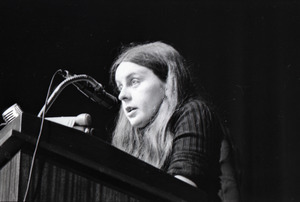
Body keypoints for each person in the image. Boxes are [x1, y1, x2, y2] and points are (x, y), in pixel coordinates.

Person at [109, 41, 239, 201]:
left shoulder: (194, 112)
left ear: (167, 82)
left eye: (134, 81)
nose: (122, 95)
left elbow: (180, 192)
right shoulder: (137, 133)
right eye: (120, 86)